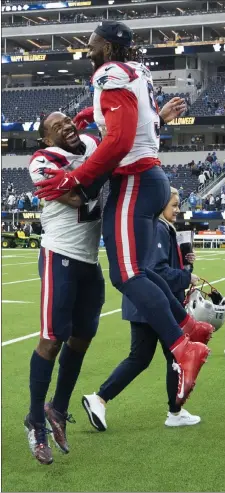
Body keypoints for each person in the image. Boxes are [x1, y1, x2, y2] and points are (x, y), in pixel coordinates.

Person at [35, 21, 212, 408]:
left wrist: (75, 178)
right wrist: (88, 112)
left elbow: (118, 140)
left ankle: (183, 346)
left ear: (109, 47)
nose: (89, 48)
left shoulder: (109, 73)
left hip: (134, 176)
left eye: (93, 42)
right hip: (149, 175)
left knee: (127, 274)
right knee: (142, 270)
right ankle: (187, 325)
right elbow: (134, 116)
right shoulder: (134, 71)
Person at [82, 188, 203, 430]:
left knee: (141, 358)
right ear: (160, 206)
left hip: (145, 304)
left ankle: (100, 399)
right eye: (174, 205)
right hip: (151, 305)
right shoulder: (157, 228)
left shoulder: (157, 227)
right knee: (174, 356)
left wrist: (183, 263)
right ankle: (174, 411)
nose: (177, 210)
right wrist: (185, 277)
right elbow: (156, 271)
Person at [25, 111, 105, 465]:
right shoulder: (41, 160)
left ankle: (57, 408)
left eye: (68, 122)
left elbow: (107, 159)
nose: (67, 127)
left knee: (83, 337)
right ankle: (35, 421)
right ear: (46, 138)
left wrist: (81, 176)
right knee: (52, 338)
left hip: (90, 259)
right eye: (57, 127)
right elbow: (75, 199)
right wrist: (96, 174)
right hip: (60, 253)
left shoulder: (89, 143)